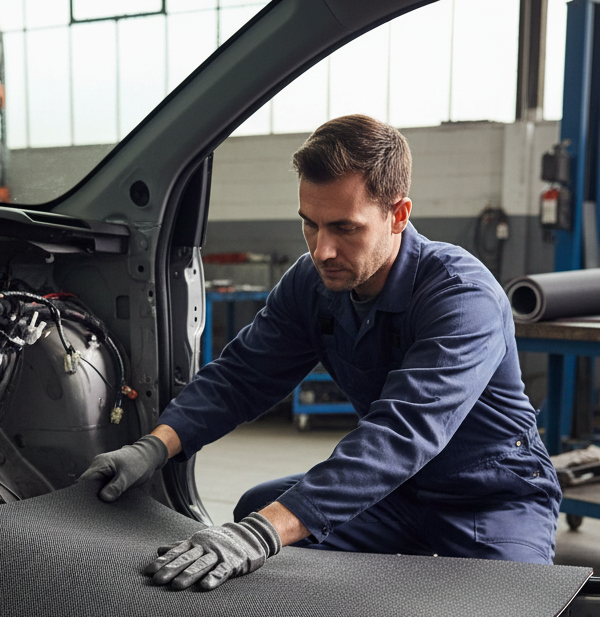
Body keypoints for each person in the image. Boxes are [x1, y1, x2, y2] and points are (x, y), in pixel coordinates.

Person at [81, 115, 561, 591]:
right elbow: (241, 375)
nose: (322, 250)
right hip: (398, 493)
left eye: (345, 228)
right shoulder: (311, 283)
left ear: (398, 215)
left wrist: (260, 534)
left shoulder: (461, 296)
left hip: (491, 495)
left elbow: (403, 432)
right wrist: (151, 448)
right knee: (259, 509)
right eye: (309, 225)